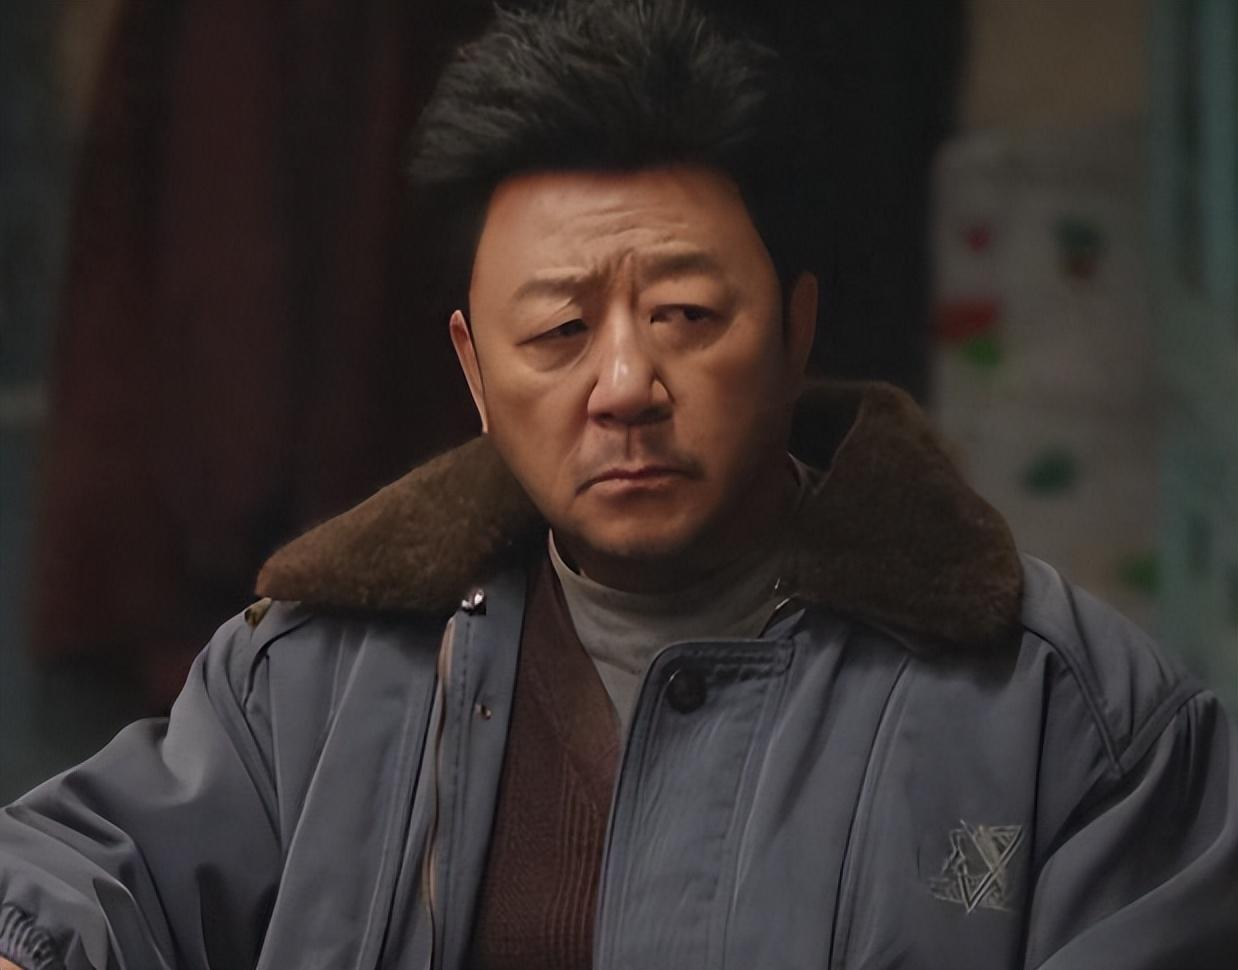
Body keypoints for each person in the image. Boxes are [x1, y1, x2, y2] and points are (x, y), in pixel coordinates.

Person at [2, 1, 1235, 967]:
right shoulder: (318, 681)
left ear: (796, 331)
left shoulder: (1062, 712)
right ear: (473, 371)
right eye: (557, 332)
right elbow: (83, 871)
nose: (627, 383)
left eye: (686, 314)